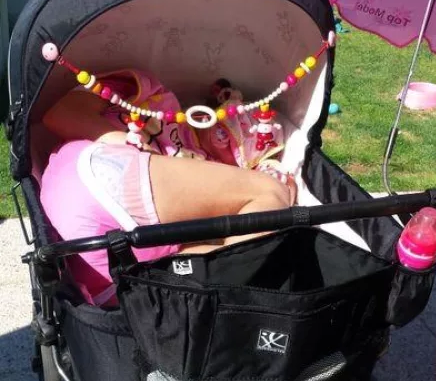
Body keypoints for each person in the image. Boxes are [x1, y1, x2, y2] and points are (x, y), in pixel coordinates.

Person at [40, 75, 296, 306]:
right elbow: (60, 114)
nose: (246, 128)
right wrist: (122, 142)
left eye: (256, 142)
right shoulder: (155, 94)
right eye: (244, 117)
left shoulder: (211, 177)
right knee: (271, 192)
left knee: (233, 261)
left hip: (110, 282)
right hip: (94, 181)